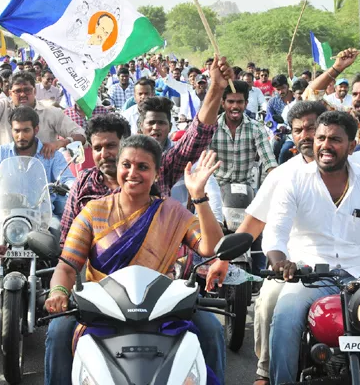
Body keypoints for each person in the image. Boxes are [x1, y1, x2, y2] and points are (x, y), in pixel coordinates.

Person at [203, 100, 360, 385]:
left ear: (351, 146)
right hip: (307, 275)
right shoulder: (291, 179)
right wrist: (279, 260)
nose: (324, 144)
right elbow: (276, 229)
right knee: (284, 317)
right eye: (321, 137)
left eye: (334, 139)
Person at [45, 138, 226, 384]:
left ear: (156, 173)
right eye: (126, 165)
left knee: (212, 330)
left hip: (163, 309)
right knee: (57, 332)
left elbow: (210, 247)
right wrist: (58, 292)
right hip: (100, 310)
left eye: (143, 167)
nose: (133, 173)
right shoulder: (93, 211)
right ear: (117, 167)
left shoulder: (172, 211)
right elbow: (67, 266)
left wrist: (199, 197)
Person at [60, 55, 233, 249]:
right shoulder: (84, 184)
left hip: (157, 275)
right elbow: (66, 242)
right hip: (98, 277)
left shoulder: (160, 178)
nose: (104, 154)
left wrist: (217, 88)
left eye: (111, 146)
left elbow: (197, 134)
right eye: (98, 148)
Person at [0, 106, 75, 320]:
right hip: (6, 212)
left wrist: (69, 185)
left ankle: (57, 289)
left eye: (26, 130)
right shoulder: (1, 153)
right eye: (16, 131)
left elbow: (67, 177)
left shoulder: (52, 154)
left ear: (36, 129)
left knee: (58, 230)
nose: (21, 135)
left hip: (42, 215)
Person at [0, 55, 86, 156]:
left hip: (45, 180)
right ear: (10, 93)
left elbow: (81, 135)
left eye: (27, 90)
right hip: (8, 177)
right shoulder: (3, 108)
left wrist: (59, 144)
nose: (22, 94)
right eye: (17, 91)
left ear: (35, 91)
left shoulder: (51, 112)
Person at [210, 80, 277, 187]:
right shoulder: (211, 127)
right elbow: (200, 162)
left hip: (246, 187)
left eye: (239, 102)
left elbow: (269, 160)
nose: (235, 106)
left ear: (246, 104)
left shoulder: (257, 128)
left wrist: (277, 182)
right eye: (231, 102)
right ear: (223, 103)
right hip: (217, 186)